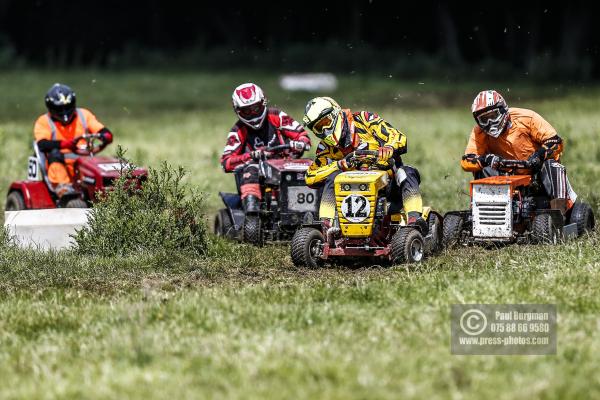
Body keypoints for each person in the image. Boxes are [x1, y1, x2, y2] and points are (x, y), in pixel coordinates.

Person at [302, 96, 426, 233]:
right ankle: (325, 227)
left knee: (406, 172)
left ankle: (414, 222)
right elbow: (310, 176)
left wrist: (389, 147)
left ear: (336, 113)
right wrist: (339, 165)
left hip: (388, 190)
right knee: (334, 177)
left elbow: (398, 137)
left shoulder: (364, 119)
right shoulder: (325, 148)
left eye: (325, 122)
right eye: (318, 128)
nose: (324, 130)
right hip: (350, 197)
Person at [461, 89, 577, 214]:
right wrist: (486, 159)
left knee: (552, 165)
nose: (490, 122)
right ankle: (482, 214)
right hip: (505, 176)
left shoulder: (527, 118)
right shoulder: (479, 132)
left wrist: (539, 155)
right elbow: (467, 161)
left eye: (493, 116)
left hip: (536, 173)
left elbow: (556, 142)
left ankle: (558, 215)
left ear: (503, 109)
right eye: (484, 119)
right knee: (480, 169)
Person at [220, 82, 311, 213]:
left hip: (285, 165)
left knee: (311, 169)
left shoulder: (277, 116)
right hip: (258, 173)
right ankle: (253, 214)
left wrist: (299, 143)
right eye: (247, 111)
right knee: (252, 170)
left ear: (263, 103)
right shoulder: (238, 130)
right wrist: (251, 156)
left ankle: (318, 212)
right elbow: (226, 163)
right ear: (238, 111)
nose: (253, 114)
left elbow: (302, 135)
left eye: (256, 108)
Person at [34, 83, 113, 197]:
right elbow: (42, 144)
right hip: (58, 165)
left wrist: (106, 136)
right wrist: (66, 144)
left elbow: (101, 130)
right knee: (55, 154)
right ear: (51, 108)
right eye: (59, 109)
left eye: (67, 107)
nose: (64, 112)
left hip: (83, 164)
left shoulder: (84, 115)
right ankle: (63, 189)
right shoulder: (43, 121)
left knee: (109, 162)